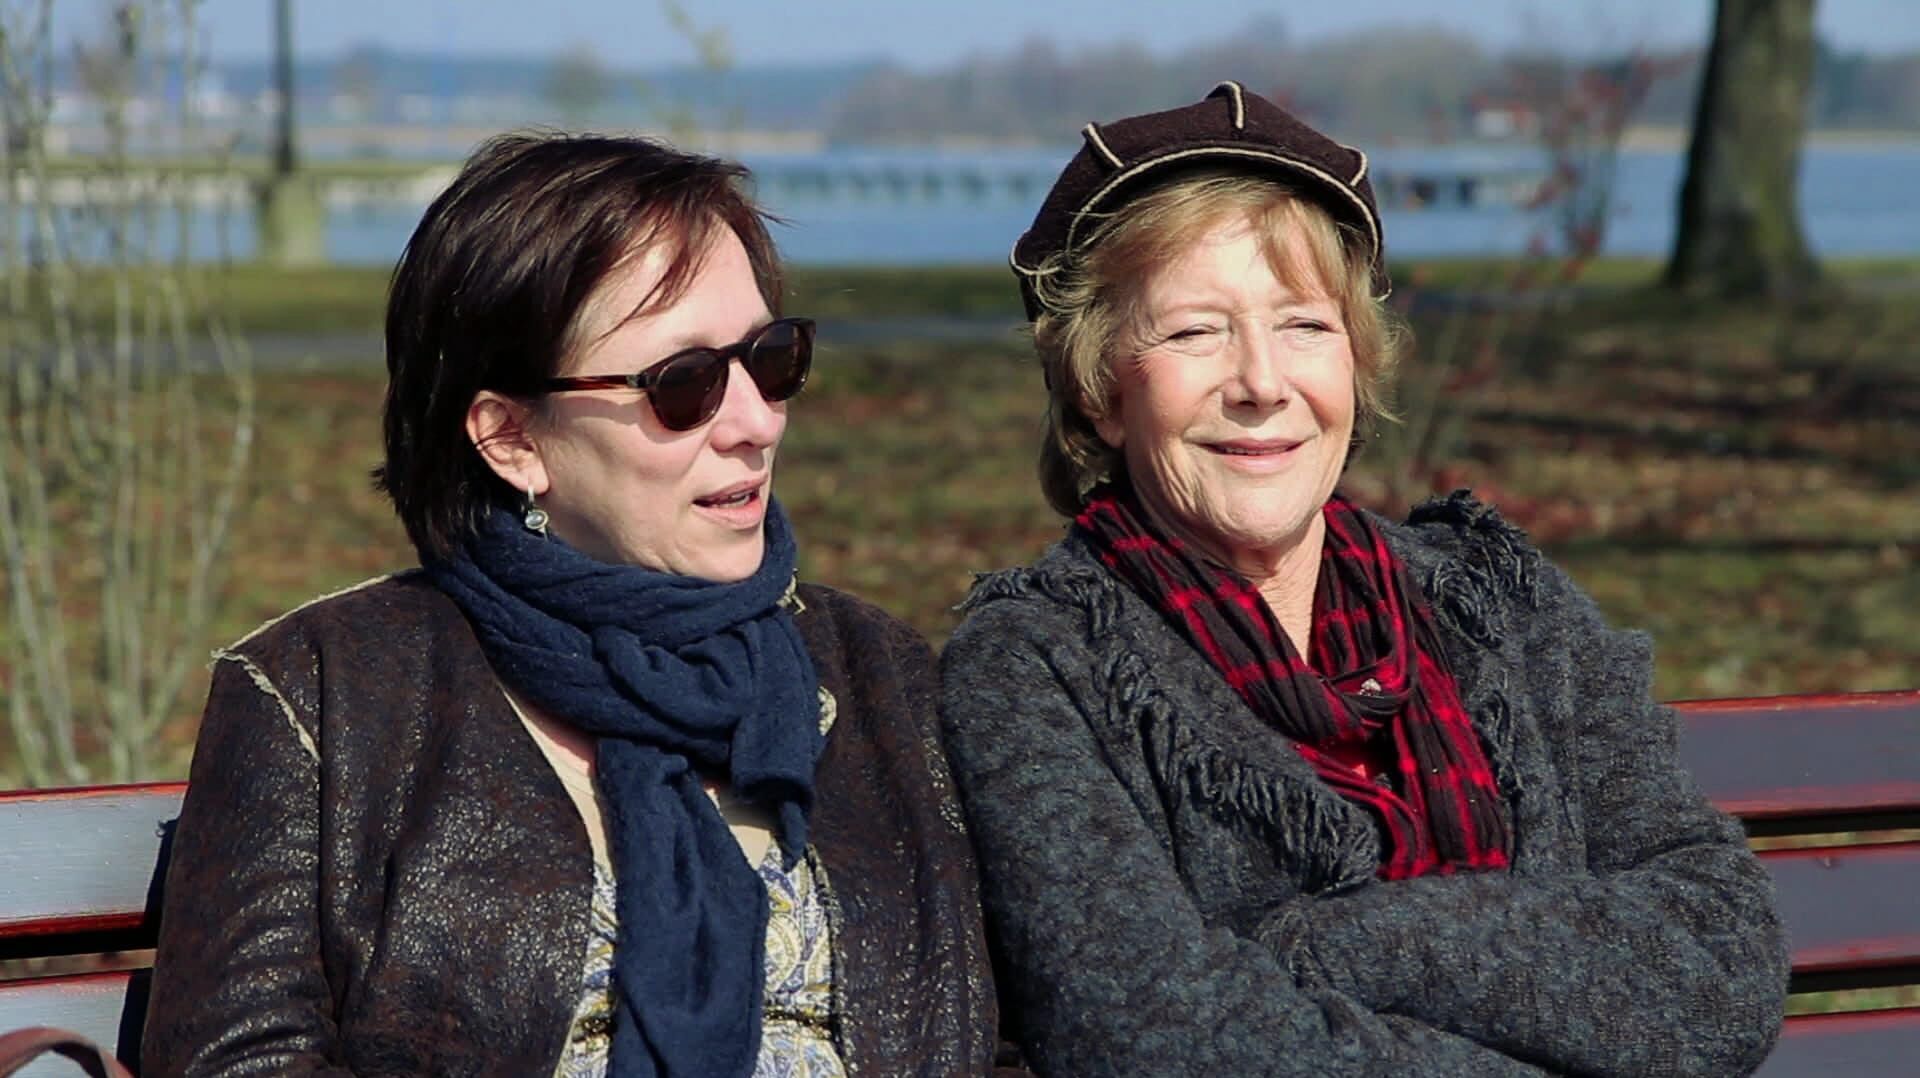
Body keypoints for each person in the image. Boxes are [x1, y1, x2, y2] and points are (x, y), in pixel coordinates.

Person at [939, 82, 1789, 1076]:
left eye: (1305, 325)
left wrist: (1329, 946)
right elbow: (1162, 1041)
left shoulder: (1498, 600)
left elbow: (1722, 961)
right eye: (1194, 331)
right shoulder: (1040, 663)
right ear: (1100, 392)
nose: (1263, 383)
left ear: (1357, 361)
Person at [143, 133, 1017, 1077]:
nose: (756, 422)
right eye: (685, 384)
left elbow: (1013, 1036)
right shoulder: (325, 696)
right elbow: (237, 1062)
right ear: (512, 439)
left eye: (771, 359)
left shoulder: (880, 675)